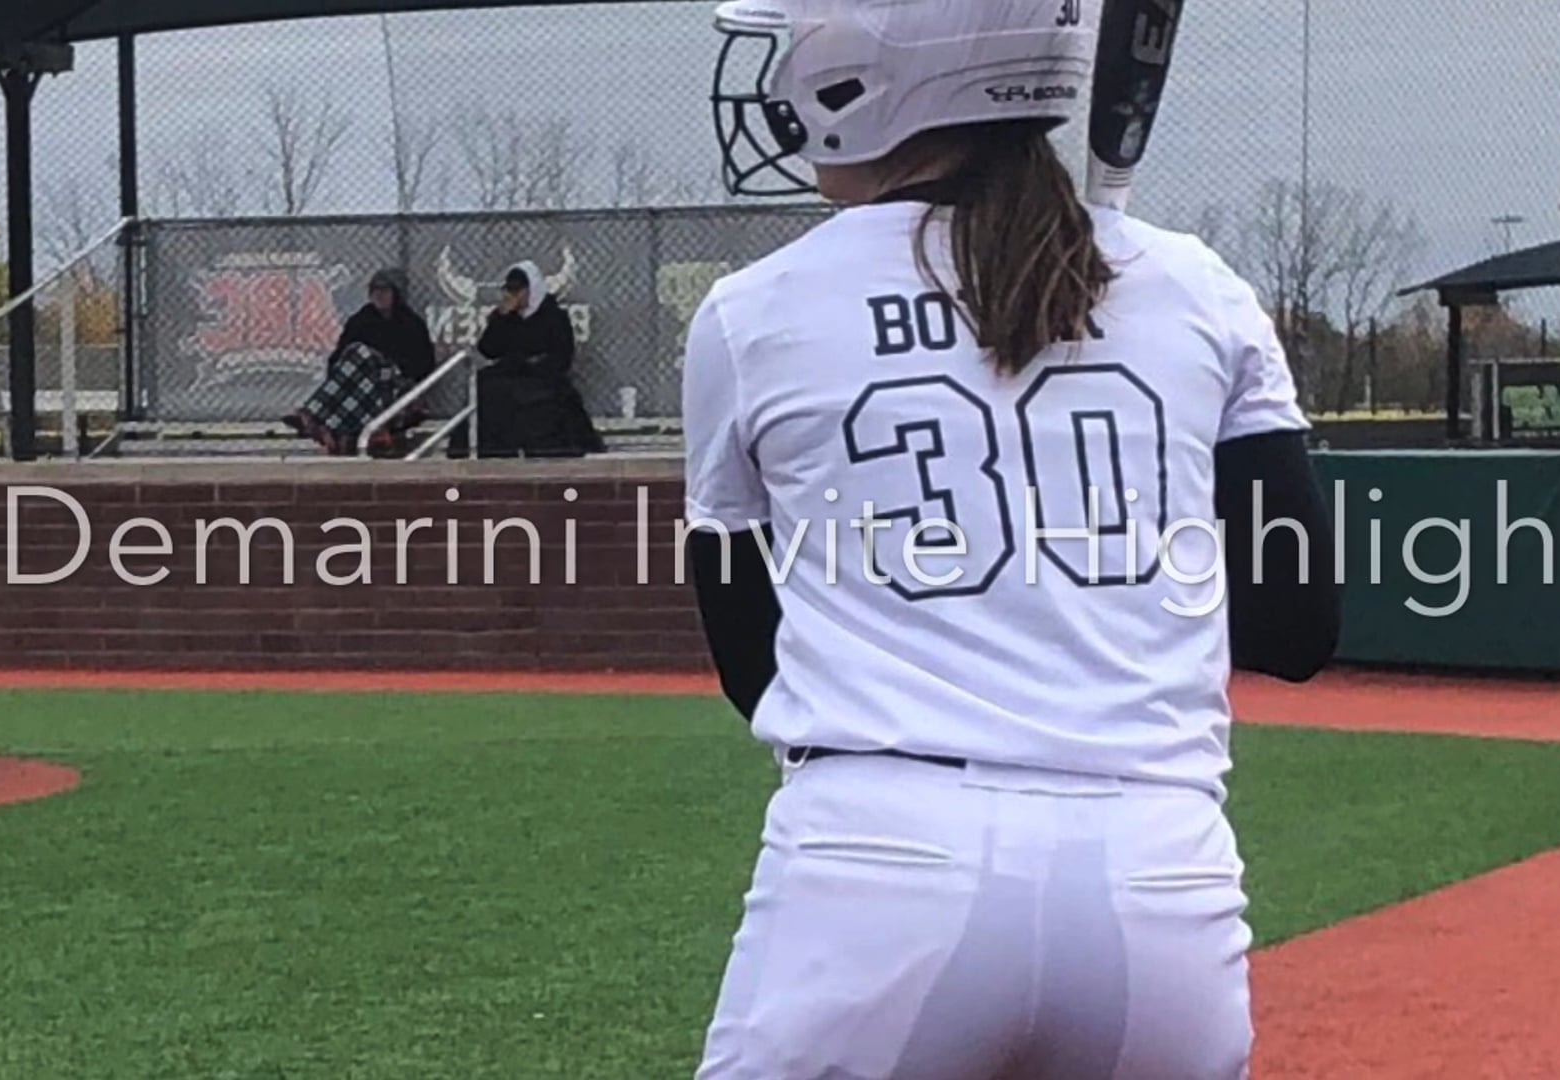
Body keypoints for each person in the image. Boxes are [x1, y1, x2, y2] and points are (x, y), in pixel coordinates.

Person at [681, 2, 1341, 1077]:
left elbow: (752, 664)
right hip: (1159, 877)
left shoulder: (751, 313)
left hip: (876, 868)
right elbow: (1298, 627)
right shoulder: (1200, 288)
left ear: (871, 74)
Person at [283, 268, 436, 455]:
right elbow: (337, 360)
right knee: (358, 356)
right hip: (362, 388)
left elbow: (425, 364)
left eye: (385, 290)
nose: (379, 295)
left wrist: (384, 362)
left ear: (396, 294)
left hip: (396, 383)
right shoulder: (361, 321)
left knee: (364, 356)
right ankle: (371, 431)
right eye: (375, 290)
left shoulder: (411, 324)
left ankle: (316, 416)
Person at [465, 262, 603, 458]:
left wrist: (532, 365)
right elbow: (488, 350)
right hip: (511, 377)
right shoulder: (506, 318)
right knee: (488, 386)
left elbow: (562, 357)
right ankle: (495, 451)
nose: (513, 295)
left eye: (518, 290)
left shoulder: (554, 317)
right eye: (509, 290)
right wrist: (501, 318)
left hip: (542, 379)